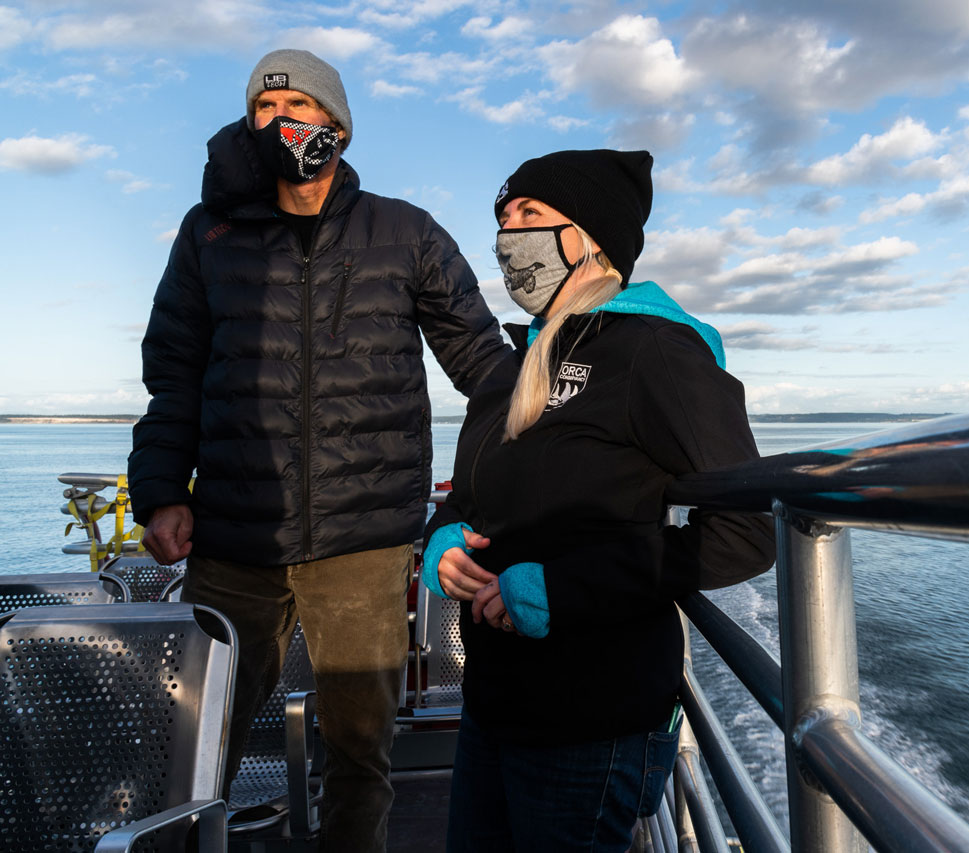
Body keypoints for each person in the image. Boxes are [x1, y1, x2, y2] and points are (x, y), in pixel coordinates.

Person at [127, 49, 508, 852]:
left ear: (337, 126)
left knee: (360, 747)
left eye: (300, 106)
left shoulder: (405, 231)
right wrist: (162, 487)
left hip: (362, 542)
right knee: (201, 742)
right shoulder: (209, 233)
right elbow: (174, 374)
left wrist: (577, 399)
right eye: (265, 110)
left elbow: (486, 368)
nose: (282, 123)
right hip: (235, 534)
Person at [422, 149, 776, 852]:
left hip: (591, 719)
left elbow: (745, 530)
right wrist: (445, 540)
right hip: (492, 706)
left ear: (588, 237)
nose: (506, 234)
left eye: (528, 213)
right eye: (502, 217)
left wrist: (565, 588)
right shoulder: (508, 370)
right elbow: (467, 496)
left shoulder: (654, 351)